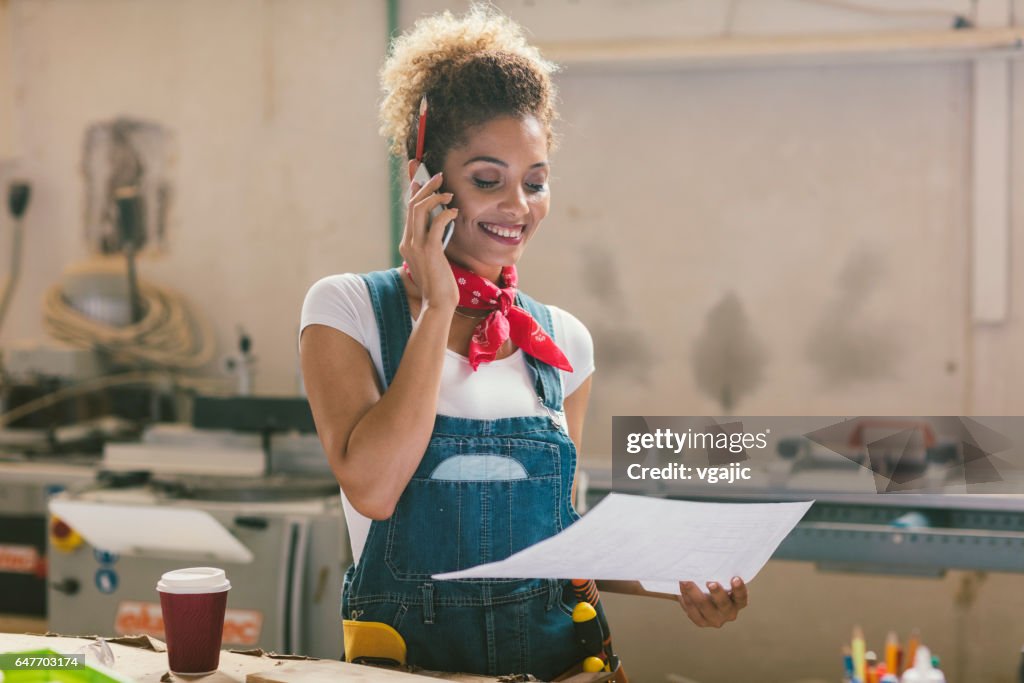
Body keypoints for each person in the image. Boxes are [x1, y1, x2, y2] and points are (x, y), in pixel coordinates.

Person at [300, 6, 748, 679]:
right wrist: (437, 306)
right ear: (425, 177)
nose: (517, 206)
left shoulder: (563, 340)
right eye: (488, 180)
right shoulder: (348, 308)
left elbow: (557, 541)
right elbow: (373, 487)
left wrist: (677, 580)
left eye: (534, 182)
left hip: (559, 665)